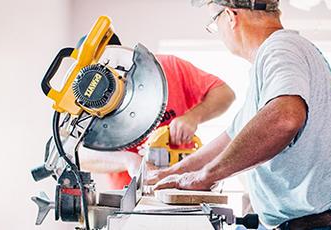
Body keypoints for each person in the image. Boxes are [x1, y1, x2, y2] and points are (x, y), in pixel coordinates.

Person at [147, 0, 331, 229]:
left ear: (231, 16)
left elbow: (284, 119)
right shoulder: (276, 58)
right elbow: (231, 138)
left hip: (324, 223)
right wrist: (176, 172)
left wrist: (205, 177)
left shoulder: (281, 48)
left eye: (215, 22)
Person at [78, 54, 235, 190]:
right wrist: (129, 161)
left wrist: (194, 116)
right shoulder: (88, 102)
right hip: (131, 193)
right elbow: (80, 155)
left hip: (185, 182)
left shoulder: (168, 67)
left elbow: (224, 93)